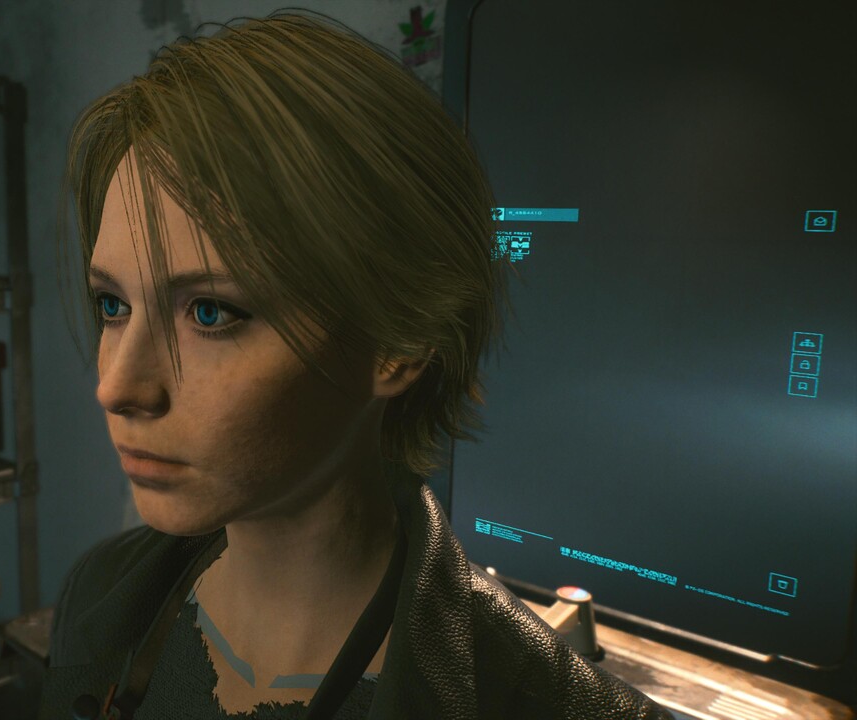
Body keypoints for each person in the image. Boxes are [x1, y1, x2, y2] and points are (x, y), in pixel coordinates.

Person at [40, 9, 674, 719]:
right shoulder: (102, 596)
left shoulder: (545, 705)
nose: (117, 386)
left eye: (211, 313)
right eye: (112, 305)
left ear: (397, 341)